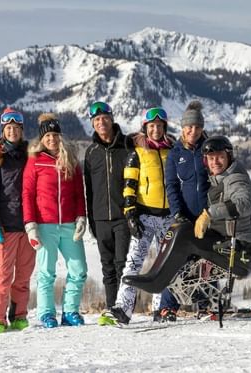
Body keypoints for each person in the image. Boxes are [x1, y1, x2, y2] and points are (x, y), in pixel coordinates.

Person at [121, 135, 251, 296]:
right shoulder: (218, 179)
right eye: (211, 158)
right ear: (205, 161)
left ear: (229, 157)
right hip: (229, 245)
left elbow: (244, 203)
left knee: (184, 235)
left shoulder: (236, 179)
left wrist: (208, 214)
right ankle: (160, 280)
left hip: (241, 253)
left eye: (220, 157)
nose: (215, 162)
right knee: (183, 229)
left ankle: (156, 282)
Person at [103, 107, 175, 326]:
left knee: (166, 264)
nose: (156, 129)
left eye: (159, 126)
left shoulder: (171, 151)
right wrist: (130, 213)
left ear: (164, 127)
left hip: (168, 217)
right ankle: (123, 309)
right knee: (133, 263)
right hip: (144, 216)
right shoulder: (137, 152)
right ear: (145, 128)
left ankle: (161, 309)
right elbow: (129, 185)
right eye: (151, 126)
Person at [22, 113, 88, 328]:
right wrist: (31, 226)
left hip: (69, 224)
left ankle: (70, 311)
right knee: (46, 272)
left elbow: (79, 192)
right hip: (44, 225)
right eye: (48, 135)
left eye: (55, 134)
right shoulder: (35, 161)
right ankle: (46, 313)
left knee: (79, 270)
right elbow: (27, 194)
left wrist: (81, 217)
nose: (52, 139)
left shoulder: (70, 159)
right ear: (42, 138)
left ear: (60, 136)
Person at [0, 108, 36, 334]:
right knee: (3, 276)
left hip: (29, 225)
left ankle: (19, 316)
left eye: (16, 128)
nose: (12, 131)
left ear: (21, 130)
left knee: (23, 276)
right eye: (8, 128)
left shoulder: (30, 155)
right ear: (3, 131)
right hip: (5, 226)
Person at [157, 100, 210, 321]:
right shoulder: (175, 153)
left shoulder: (209, 149)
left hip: (207, 217)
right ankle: (168, 307)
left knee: (207, 261)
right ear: (182, 127)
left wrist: (210, 211)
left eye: (197, 127)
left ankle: (205, 306)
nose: (193, 131)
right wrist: (178, 213)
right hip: (183, 216)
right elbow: (171, 185)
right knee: (177, 260)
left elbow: (218, 182)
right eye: (189, 127)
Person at [83, 101, 133, 323]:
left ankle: (125, 309)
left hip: (123, 217)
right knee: (108, 267)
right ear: (93, 124)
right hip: (100, 217)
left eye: (104, 118)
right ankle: (113, 309)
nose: (101, 122)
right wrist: (91, 219)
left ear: (112, 119)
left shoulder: (127, 146)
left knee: (123, 264)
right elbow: (89, 188)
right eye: (96, 120)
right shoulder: (91, 152)